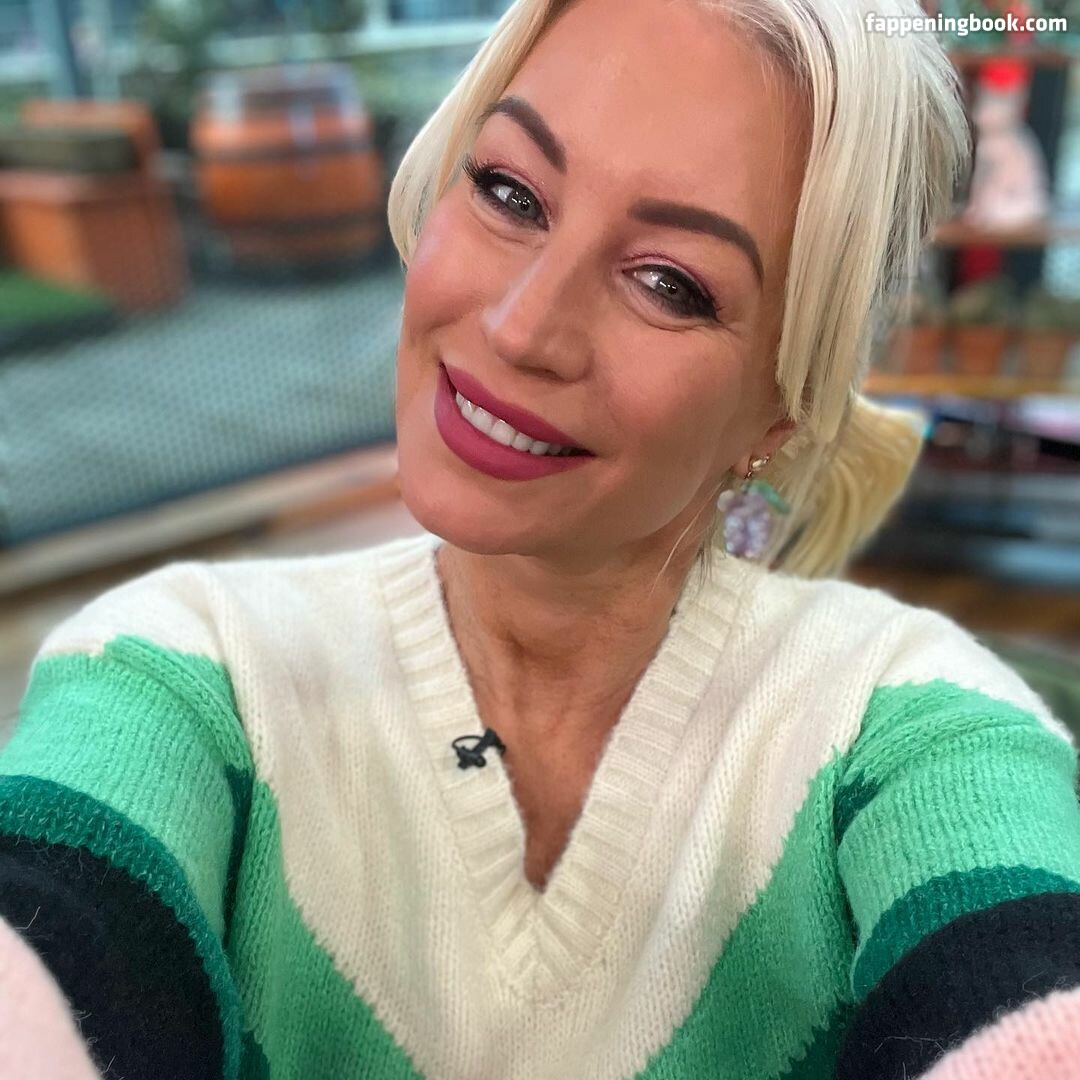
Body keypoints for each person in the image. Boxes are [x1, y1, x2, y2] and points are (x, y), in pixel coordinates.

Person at [2, 0, 1079, 1077]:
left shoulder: (910, 725)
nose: (521, 327)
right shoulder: (185, 664)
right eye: (509, 193)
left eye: (669, 283)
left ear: (780, 414)